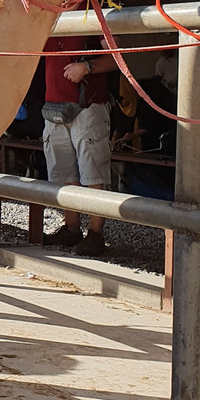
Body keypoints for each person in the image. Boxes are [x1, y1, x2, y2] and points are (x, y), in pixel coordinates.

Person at [40, 32, 117, 257]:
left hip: (87, 104)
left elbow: (116, 57)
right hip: (55, 104)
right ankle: (71, 227)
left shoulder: (92, 13)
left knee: (92, 170)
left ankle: (95, 233)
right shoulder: (52, 17)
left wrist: (87, 67)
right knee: (64, 171)